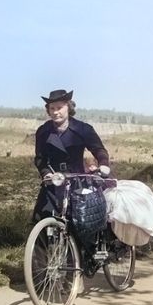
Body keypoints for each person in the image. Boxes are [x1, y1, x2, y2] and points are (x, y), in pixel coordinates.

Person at [32, 89, 110, 222]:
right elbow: (40, 158)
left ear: (68, 107)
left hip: (77, 180)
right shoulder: (43, 131)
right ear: (48, 110)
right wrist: (45, 173)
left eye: (59, 108)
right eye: (52, 108)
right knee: (43, 217)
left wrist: (103, 164)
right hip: (54, 180)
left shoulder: (83, 129)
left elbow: (99, 150)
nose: (56, 112)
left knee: (83, 218)